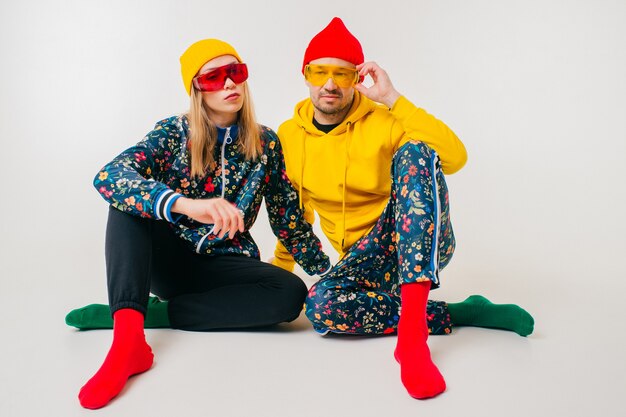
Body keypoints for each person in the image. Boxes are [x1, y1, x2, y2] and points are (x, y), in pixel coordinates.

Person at [271, 17, 534, 399]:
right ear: (306, 74)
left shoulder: (386, 121)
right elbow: (296, 213)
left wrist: (392, 97)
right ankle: (461, 312)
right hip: (360, 264)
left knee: (417, 151)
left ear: (358, 78)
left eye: (342, 74)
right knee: (320, 308)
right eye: (321, 72)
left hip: (418, 242)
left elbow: (455, 157)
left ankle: (412, 340)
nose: (330, 84)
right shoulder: (289, 136)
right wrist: (279, 276)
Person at [66, 38, 331, 409]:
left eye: (235, 73)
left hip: (227, 265)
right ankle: (128, 343)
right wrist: (186, 206)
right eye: (213, 77)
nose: (228, 84)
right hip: (170, 259)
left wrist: (326, 272)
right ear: (196, 87)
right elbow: (110, 175)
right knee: (126, 204)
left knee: (290, 295)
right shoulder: (174, 133)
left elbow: (288, 218)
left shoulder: (266, 143)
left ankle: (157, 314)